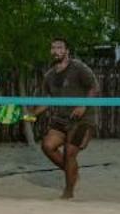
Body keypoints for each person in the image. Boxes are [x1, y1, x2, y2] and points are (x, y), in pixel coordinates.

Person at [36, 37, 100, 199]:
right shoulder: (49, 75)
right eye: (53, 48)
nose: (56, 51)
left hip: (83, 118)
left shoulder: (78, 67)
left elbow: (94, 87)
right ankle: (72, 173)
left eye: (59, 47)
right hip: (62, 119)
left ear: (67, 51)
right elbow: (47, 100)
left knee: (69, 152)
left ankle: (68, 192)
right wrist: (32, 114)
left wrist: (83, 105)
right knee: (47, 146)